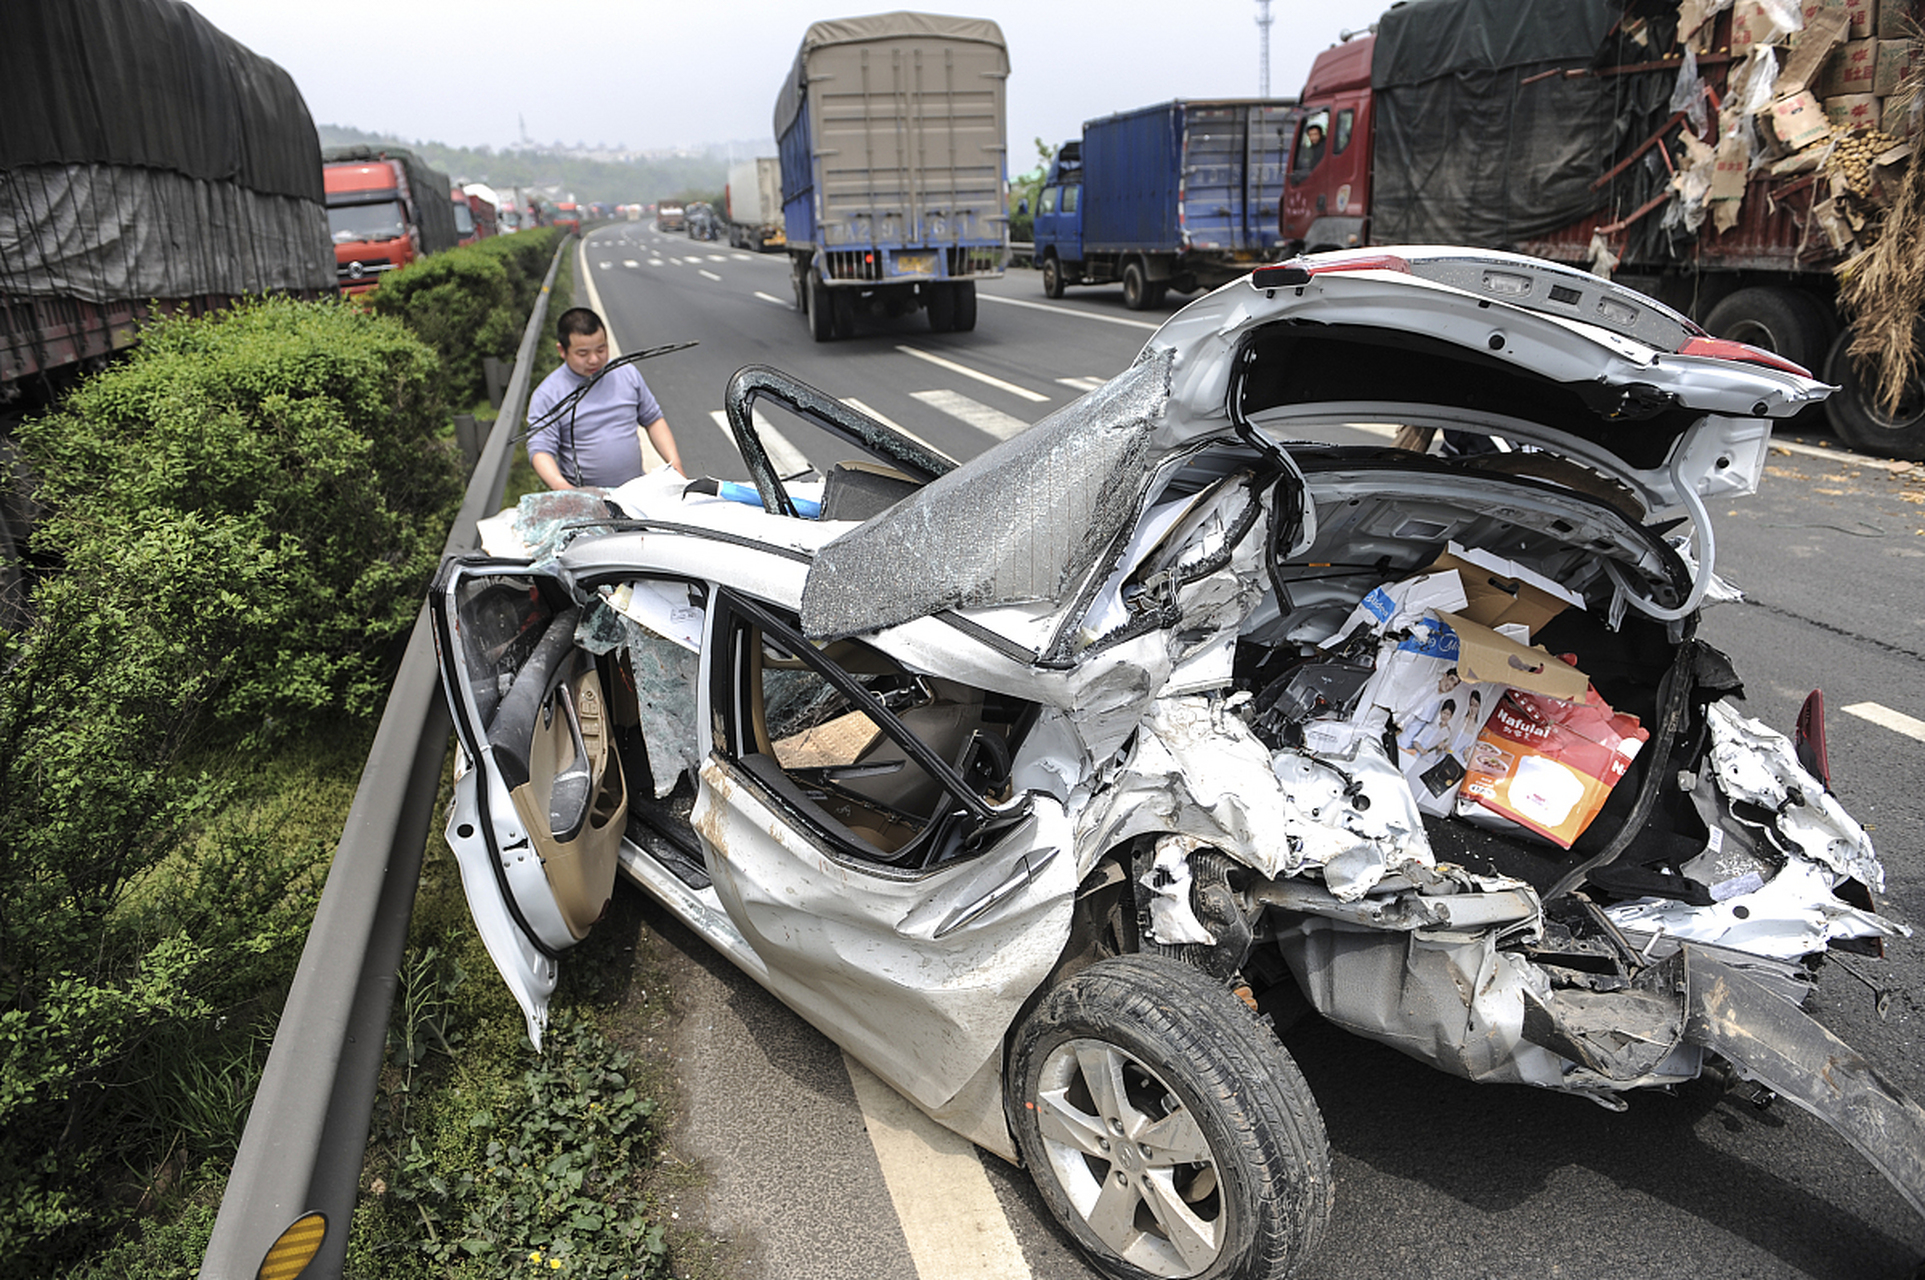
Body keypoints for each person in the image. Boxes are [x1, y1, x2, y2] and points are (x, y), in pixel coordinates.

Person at [526, 307, 683, 490]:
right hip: (585, 497)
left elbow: (653, 420)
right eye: (583, 354)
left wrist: (676, 466)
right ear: (562, 350)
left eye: (601, 350)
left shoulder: (627, 374)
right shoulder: (548, 393)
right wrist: (563, 487)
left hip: (634, 492)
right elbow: (541, 449)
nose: (594, 360)